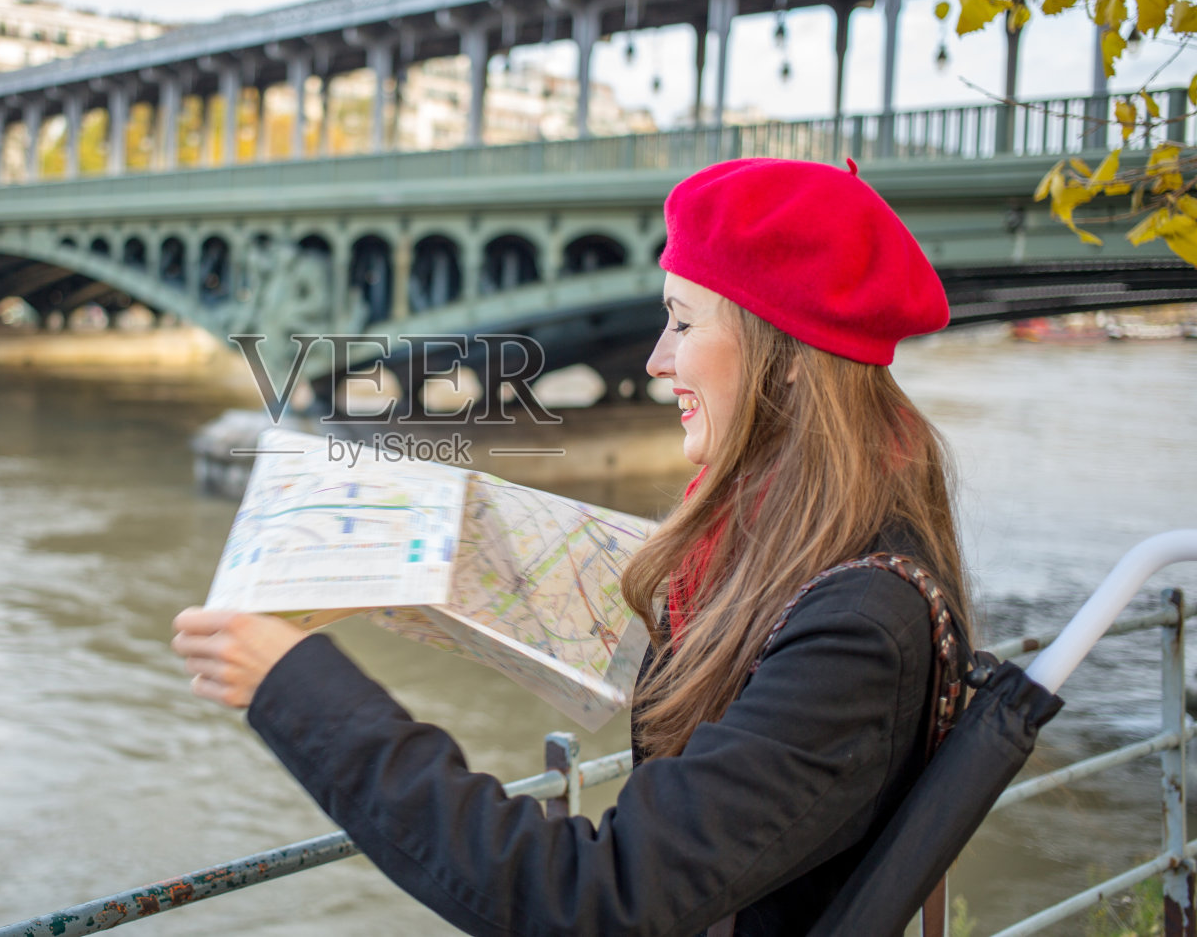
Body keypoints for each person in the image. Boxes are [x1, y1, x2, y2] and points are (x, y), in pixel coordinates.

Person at [172, 157, 972, 936]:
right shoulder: (806, 546)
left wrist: (294, 686)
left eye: (683, 322)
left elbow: (593, 899)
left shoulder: (859, 628)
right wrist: (403, 565)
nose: (656, 359)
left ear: (786, 355)